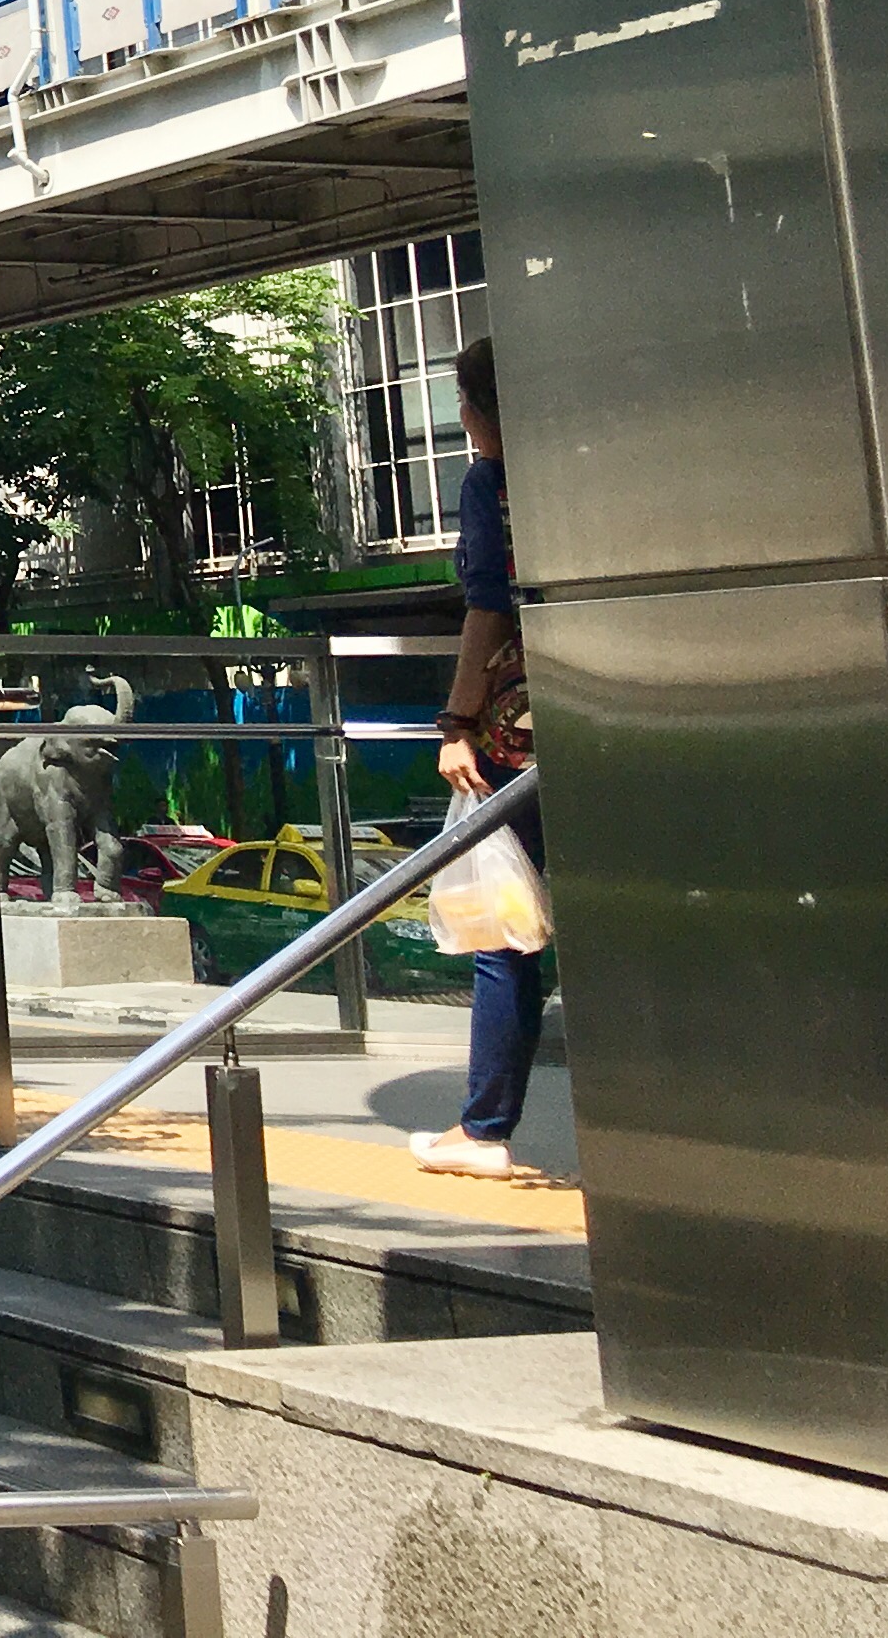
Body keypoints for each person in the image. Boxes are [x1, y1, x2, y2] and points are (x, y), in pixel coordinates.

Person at [415, 337, 544, 1179]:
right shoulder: (579, 467)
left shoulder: (490, 482)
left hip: (518, 737)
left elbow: (488, 605)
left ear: (480, 409)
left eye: (462, 404)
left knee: (507, 930)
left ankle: (484, 1131)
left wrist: (456, 722)